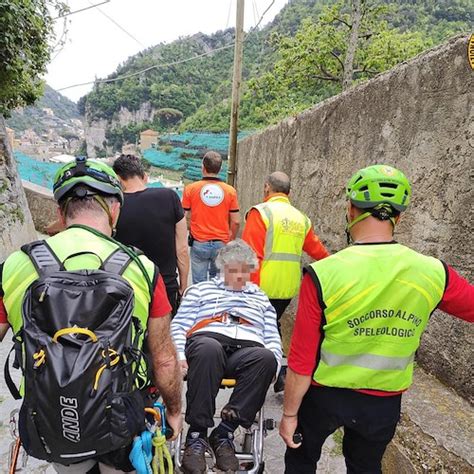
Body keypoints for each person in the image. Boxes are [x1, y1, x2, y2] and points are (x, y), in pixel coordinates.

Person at [279, 164, 474, 474]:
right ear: (398, 217)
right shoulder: (434, 272)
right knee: (366, 467)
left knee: (301, 463)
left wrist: (290, 415)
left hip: (324, 397)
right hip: (383, 404)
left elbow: (301, 362)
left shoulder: (324, 273)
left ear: (351, 208)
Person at [0, 158, 183, 473]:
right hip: (123, 418)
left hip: (52, 416)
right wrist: (174, 410)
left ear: (60, 213)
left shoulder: (16, 265)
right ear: (114, 211)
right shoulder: (141, 269)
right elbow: (165, 359)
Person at [171, 239, 282, 474]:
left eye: (245, 270)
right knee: (208, 349)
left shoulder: (260, 298)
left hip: (247, 349)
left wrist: (274, 360)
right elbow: (179, 326)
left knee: (266, 359)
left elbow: (272, 335)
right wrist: (180, 355)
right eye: (233, 269)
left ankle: (224, 433)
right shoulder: (200, 290)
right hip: (208, 342)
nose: (239, 275)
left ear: (251, 270)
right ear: (223, 268)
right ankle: (197, 434)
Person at [242, 171, 329, 392]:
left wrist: (245, 289)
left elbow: (249, 254)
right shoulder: (301, 218)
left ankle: (266, 374)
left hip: (262, 285)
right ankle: (279, 373)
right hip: (288, 287)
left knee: (258, 328)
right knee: (271, 324)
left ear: (266, 188)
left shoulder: (261, 213)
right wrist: (336, 264)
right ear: (289, 193)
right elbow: (316, 249)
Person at [113, 154, 189, 315]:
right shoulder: (169, 197)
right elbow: (182, 249)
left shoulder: (114, 207)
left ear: (118, 179)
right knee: (163, 338)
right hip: (165, 286)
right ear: (144, 176)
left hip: (126, 288)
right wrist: (183, 286)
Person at [182, 151, 240, 284]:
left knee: (199, 284)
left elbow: (183, 217)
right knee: (218, 284)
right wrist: (229, 240)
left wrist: (190, 228)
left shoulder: (190, 189)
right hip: (221, 243)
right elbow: (236, 221)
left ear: (203, 167)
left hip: (199, 243)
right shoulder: (230, 191)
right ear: (220, 168)